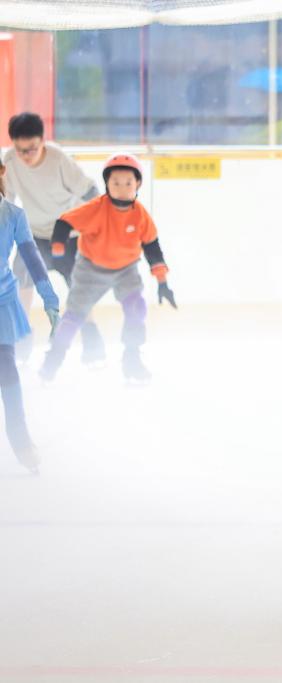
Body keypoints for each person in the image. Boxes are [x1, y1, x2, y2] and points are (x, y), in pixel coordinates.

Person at [39, 154, 177, 383]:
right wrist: (58, 245)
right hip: (90, 270)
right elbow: (65, 222)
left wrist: (163, 283)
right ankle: (53, 359)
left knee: (136, 309)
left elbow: (153, 249)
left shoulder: (140, 215)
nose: (122, 189)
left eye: (128, 183)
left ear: (138, 184)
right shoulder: (96, 208)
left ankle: (132, 359)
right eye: (116, 183)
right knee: (74, 316)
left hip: (126, 270)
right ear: (107, 184)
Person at [3, 112, 104, 364]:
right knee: (19, 279)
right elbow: (8, 199)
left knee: (78, 288)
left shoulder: (58, 159)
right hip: (35, 235)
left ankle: (92, 343)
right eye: (20, 150)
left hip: (67, 235)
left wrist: (97, 223)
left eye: (31, 149)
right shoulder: (10, 161)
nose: (26, 156)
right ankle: (22, 341)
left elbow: (90, 190)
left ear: (42, 141)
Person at [0, 156, 60, 472]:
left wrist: (49, 296)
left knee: (7, 370)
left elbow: (32, 259)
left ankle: (21, 440)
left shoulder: (13, 215)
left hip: (2, 303)